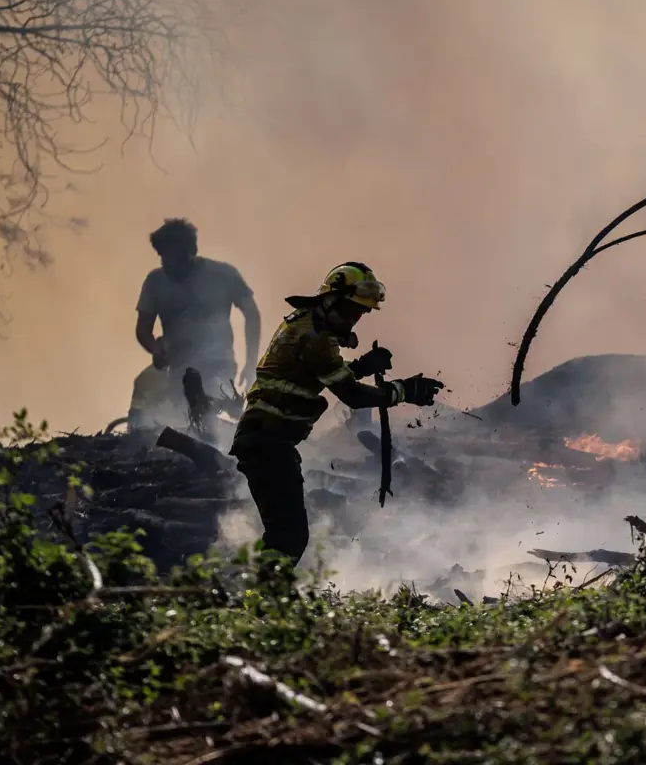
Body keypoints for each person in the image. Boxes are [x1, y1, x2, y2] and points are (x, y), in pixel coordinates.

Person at [229, 261, 444, 565]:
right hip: (267, 442)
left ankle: (265, 602)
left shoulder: (303, 325)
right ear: (329, 300)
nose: (352, 320)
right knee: (287, 537)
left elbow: (313, 376)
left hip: (267, 440)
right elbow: (352, 396)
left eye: (359, 314)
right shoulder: (315, 336)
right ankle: (264, 604)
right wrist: (403, 391)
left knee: (286, 535)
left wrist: (360, 367)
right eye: (348, 311)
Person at [134, 218, 261, 413]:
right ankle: (136, 438)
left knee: (204, 406)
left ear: (190, 252)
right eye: (163, 257)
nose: (169, 265)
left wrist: (251, 363)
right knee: (143, 386)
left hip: (218, 364)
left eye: (174, 258)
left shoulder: (222, 275)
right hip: (176, 368)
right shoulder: (155, 281)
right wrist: (155, 349)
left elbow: (251, 315)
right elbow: (143, 328)